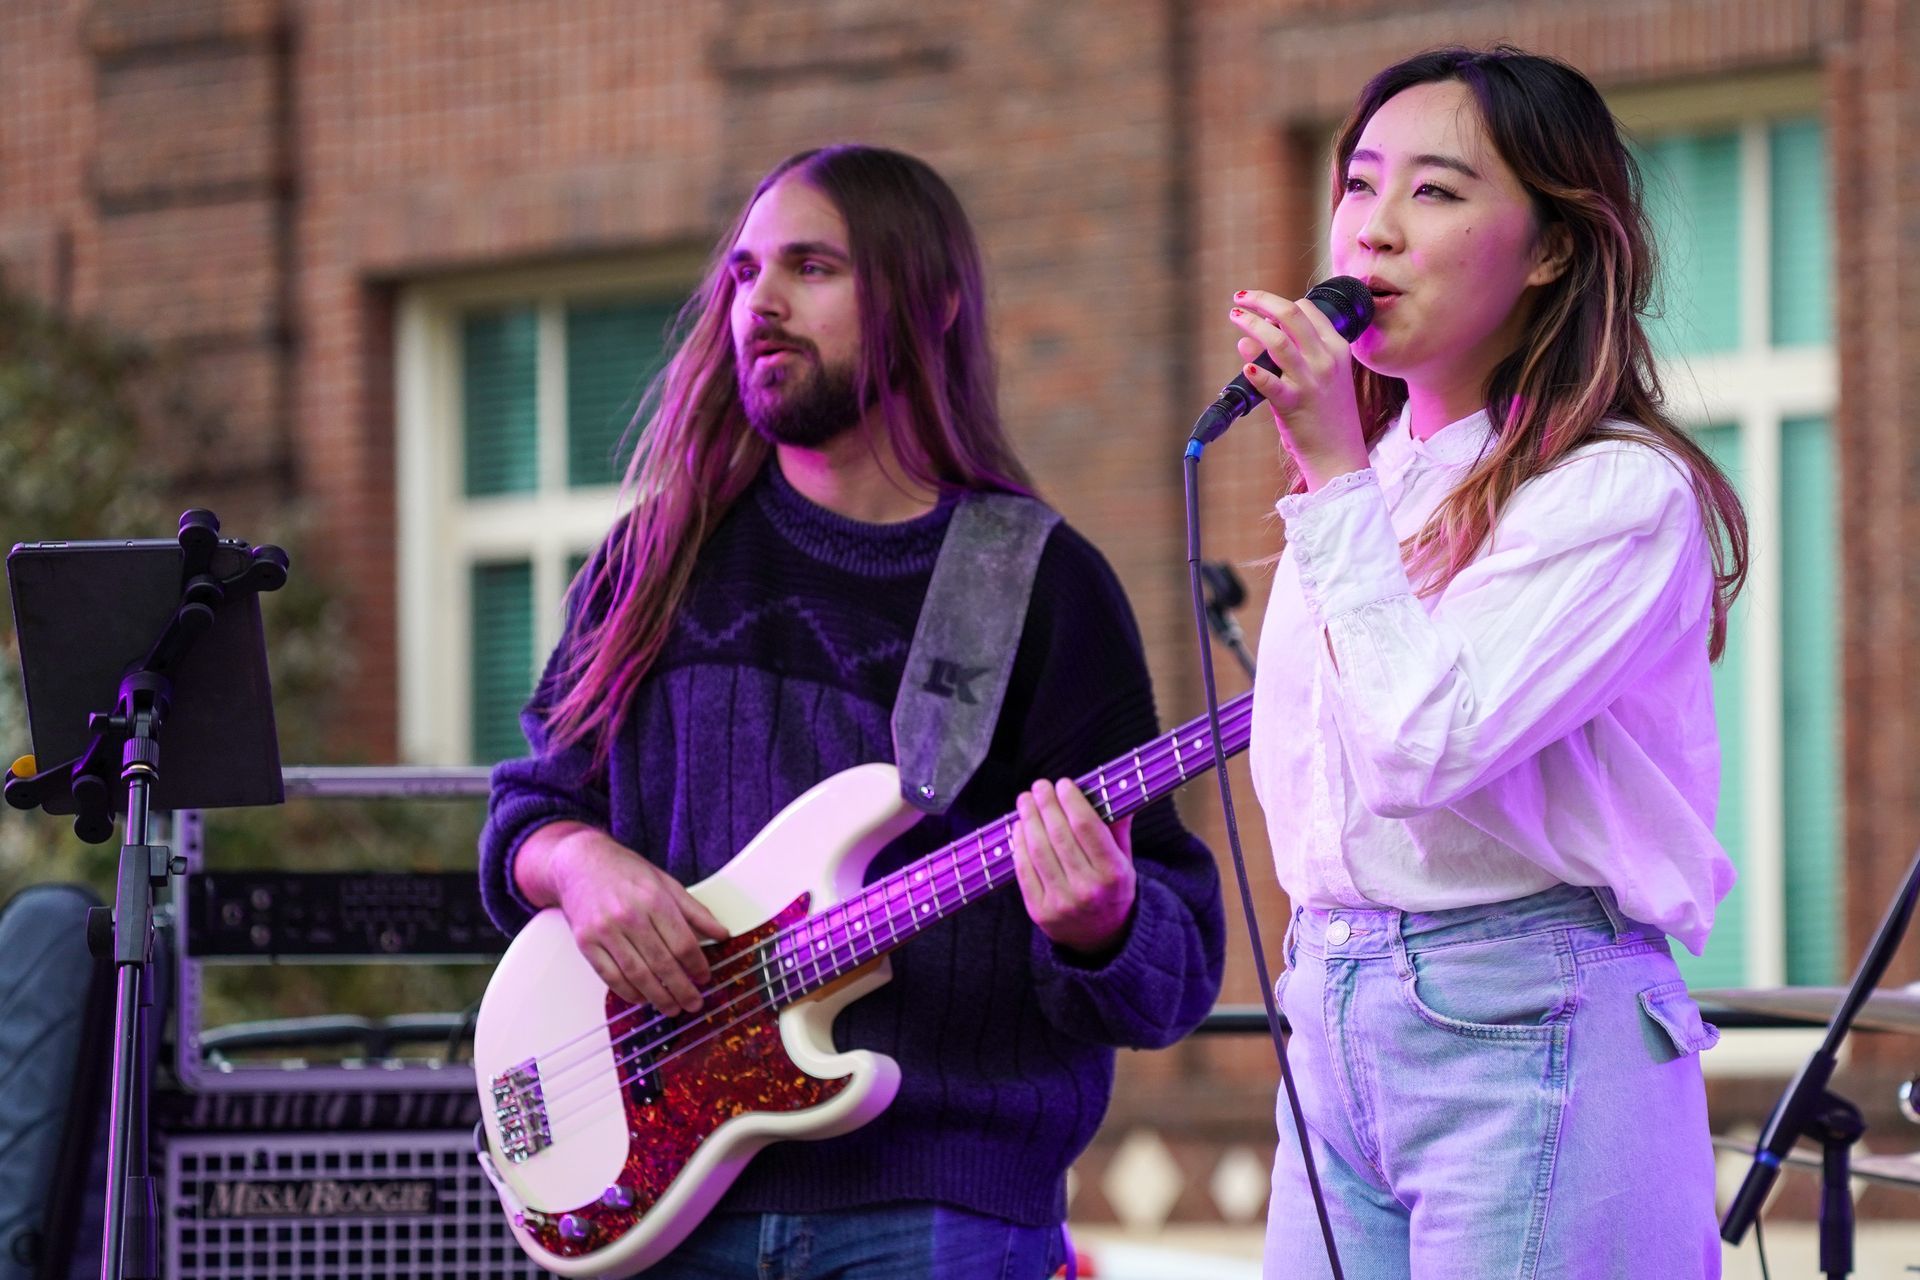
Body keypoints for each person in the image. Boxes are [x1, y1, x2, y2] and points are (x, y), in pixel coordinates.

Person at [478, 144, 1224, 1280]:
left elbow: (1177, 951)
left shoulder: (1033, 582)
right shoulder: (656, 557)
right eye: (742, 273)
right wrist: (578, 863)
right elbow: (530, 803)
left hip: (937, 1206)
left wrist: (1102, 924)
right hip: (659, 1193)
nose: (758, 303)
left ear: (930, 305)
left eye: (810, 267)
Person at [1232, 46, 1748, 1279]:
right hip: (1331, 1010)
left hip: (1525, 1012)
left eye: (1439, 192)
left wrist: (1335, 471)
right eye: (1359, 185)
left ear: (1554, 246)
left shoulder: (1617, 490)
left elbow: (1423, 747)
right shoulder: (1360, 490)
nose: (1377, 230)